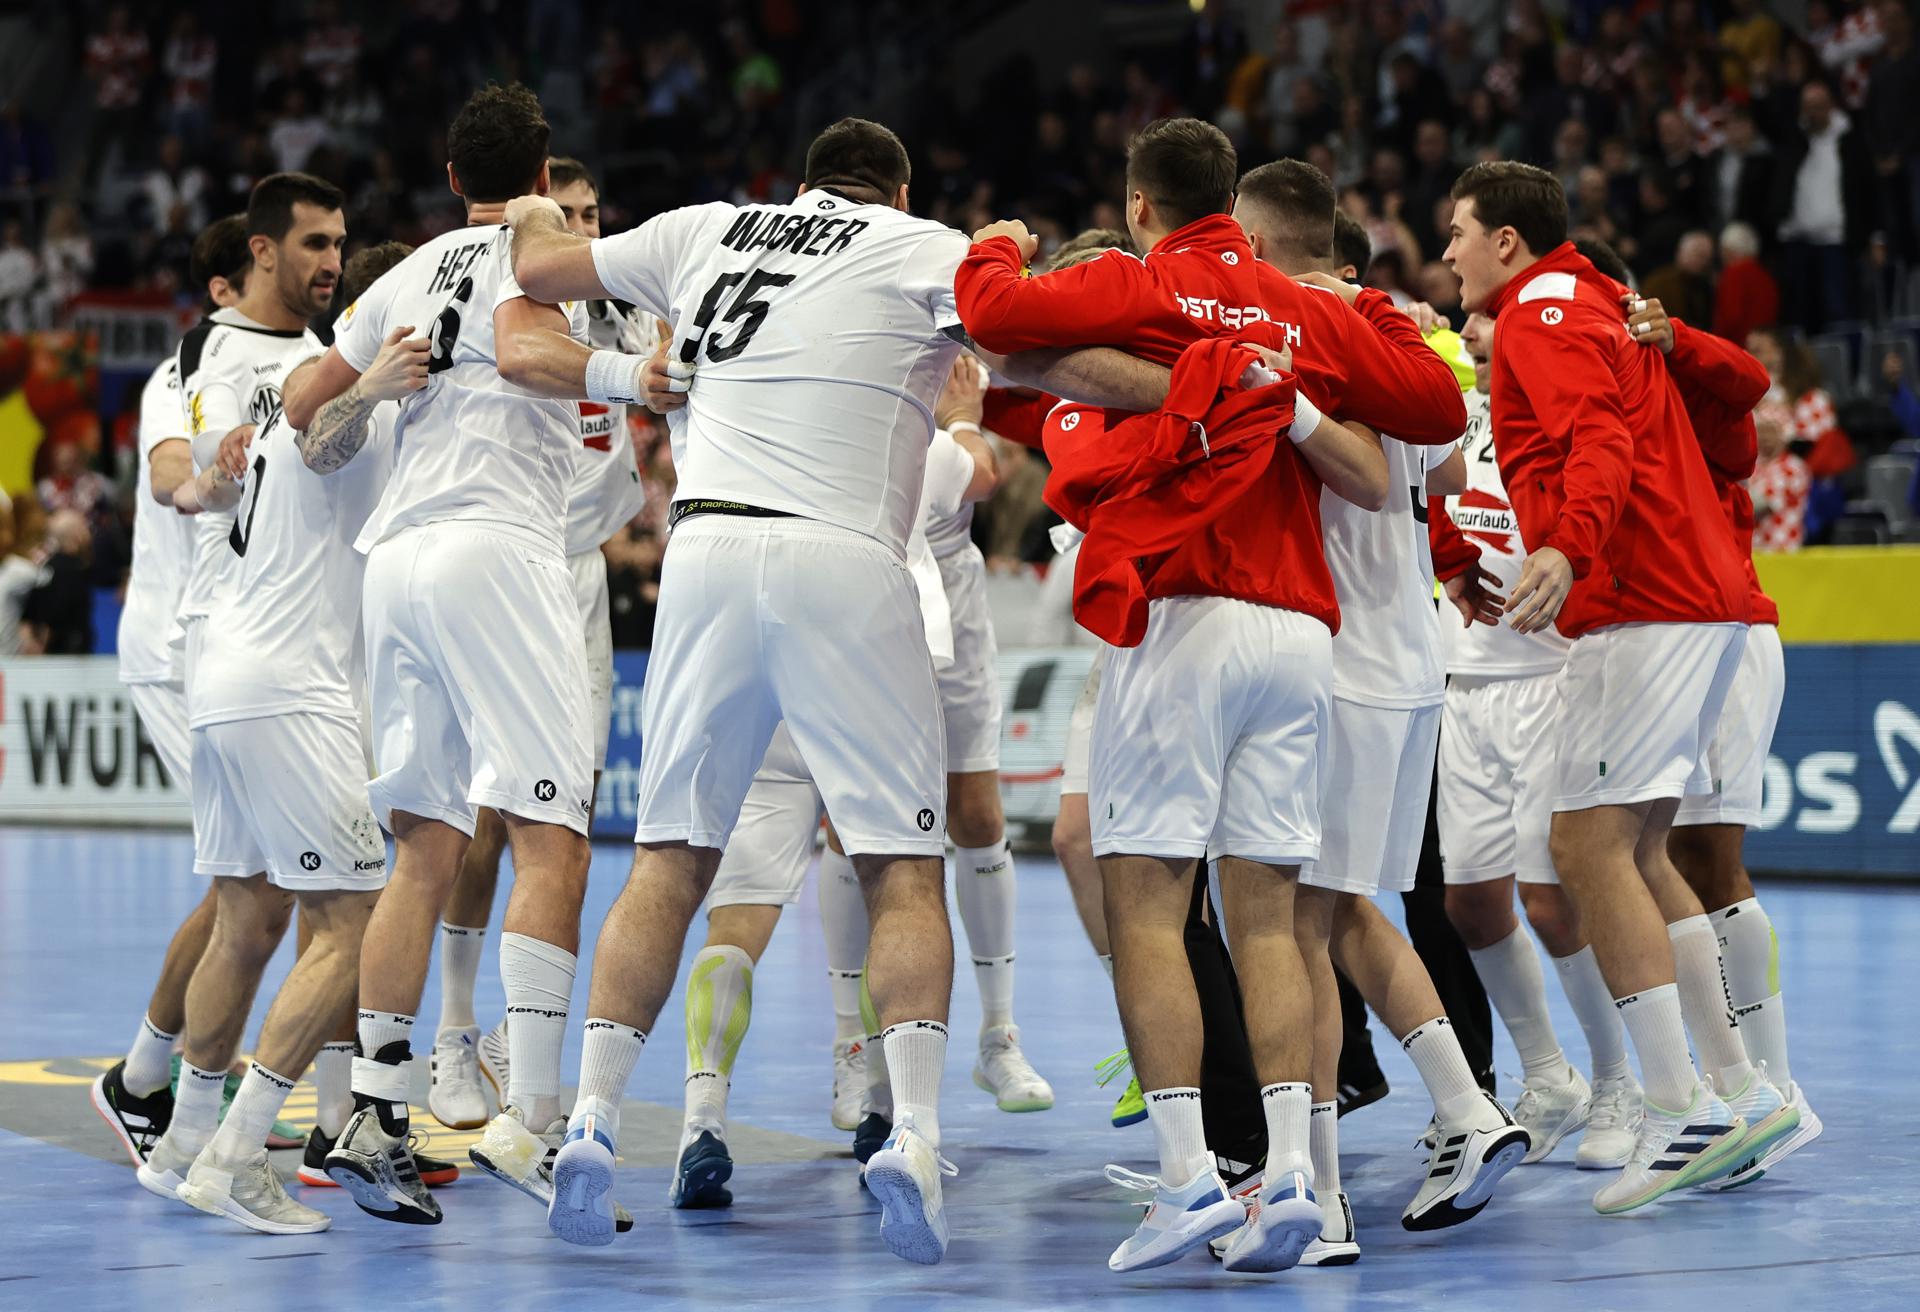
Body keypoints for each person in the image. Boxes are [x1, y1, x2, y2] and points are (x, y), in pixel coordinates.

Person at [503, 114, 1170, 1262]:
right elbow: (1049, 363)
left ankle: (596, 1122)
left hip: (702, 555)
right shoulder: (924, 250)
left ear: (803, 183)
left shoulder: (702, 229)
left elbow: (533, 267)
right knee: (902, 867)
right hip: (846, 562)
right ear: (897, 187)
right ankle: (908, 1132)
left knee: (669, 858)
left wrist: (533, 225)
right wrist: (1185, 386)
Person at [955, 121, 1467, 1274]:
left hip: (1184, 616)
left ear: (1140, 206)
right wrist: (1332, 352)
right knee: (1272, 919)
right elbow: (1436, 410)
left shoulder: (1140, 280)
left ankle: (1188, 1176)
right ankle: (1290, 1170)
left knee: (1145, 907)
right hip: (1299, 634)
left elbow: (992, 320)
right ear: (1235, 207)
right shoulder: (1311, 307)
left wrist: (991, 244)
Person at [281, 83, 614, 1229]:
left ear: (449, 172)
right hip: (495, 551)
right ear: (541, 171)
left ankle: (375, 1103)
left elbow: (300, 400)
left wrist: (369, 386)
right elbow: (530, 352)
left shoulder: (403, 274)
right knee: (552, 837)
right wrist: (630, 372)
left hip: (398, 563)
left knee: (422, 842)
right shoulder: (543, 246)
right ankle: (527, 1117)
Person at [1444, 160, 1795, 1216]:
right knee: (1639, 848)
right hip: (1685, 598)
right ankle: (1736, 1093)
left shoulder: (1543, 309)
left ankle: (1682, 1102)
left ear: (1508, 240)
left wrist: (1567, 546)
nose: (1449, 249)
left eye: (1459, 231)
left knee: (1590, 845)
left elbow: (1596, 438)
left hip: (1648, 598)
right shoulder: (1586, 302)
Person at [1229, 159, 1528, 1259]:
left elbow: (1364, 467)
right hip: (1413, 657)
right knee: (1351, 911)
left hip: (1342, 654)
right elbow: (1449, 472)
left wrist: (1293, 406)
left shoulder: (1295, 319)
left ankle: (1319, 1198)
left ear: (1261, 244)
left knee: (1297, 921)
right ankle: (1464, 1106)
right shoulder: (1403, 328)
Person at [139, 242, 415, 1234]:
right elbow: (322, 437)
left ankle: (179, 1143)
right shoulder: (321, 393)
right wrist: (379, 384)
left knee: (245, 916)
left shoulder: (281, 398)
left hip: (227, 670)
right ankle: (239, 1152)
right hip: (289, 686)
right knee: (352, 921)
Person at [670, 381, 994, 1207]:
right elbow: (976, 471)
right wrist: (963, 414)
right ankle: (878, 1095)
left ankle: (700, 1120)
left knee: (735, 909)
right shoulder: (883, 409)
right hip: (855, 634)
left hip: (734, 610)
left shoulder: (731, 405)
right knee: (893, 875)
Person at [425, 156, 655, 1134]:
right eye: (564, 215)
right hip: (495, 568)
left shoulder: (633, 312)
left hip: (581, 578)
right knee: (484, 813)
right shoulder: (492, 305)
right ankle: (449, 1030)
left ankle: (521, 1049)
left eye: (593, 215)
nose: (581, 228)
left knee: (567, 817)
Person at [1435, 308, 1642, 1174]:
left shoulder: (1562, 415)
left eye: (1495, 318)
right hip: (1465, 681)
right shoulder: (1454, 413)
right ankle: (1548, 1078)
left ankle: (1618, 1082)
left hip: (1552, 680)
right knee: (1471, 904)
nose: (1480, 330)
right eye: (1472, 324)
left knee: (1553, 899)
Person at [1623, 294, 1823, 1186]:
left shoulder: (1693, 394)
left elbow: (1748, 388)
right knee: (1677, 858)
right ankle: (1746, 1089)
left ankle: (1773, 1090)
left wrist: (1673, 337)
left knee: (1707, 859)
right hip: (1695, 632)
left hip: (1725, 630)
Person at [87, 217, 251, 1174]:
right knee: (245, 879)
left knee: (261, 878)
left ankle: (180, 1073)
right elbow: (168, 479)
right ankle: (146, 1079)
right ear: (228, 286)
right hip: (176, 647)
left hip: (231, 641)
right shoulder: (180, 374)